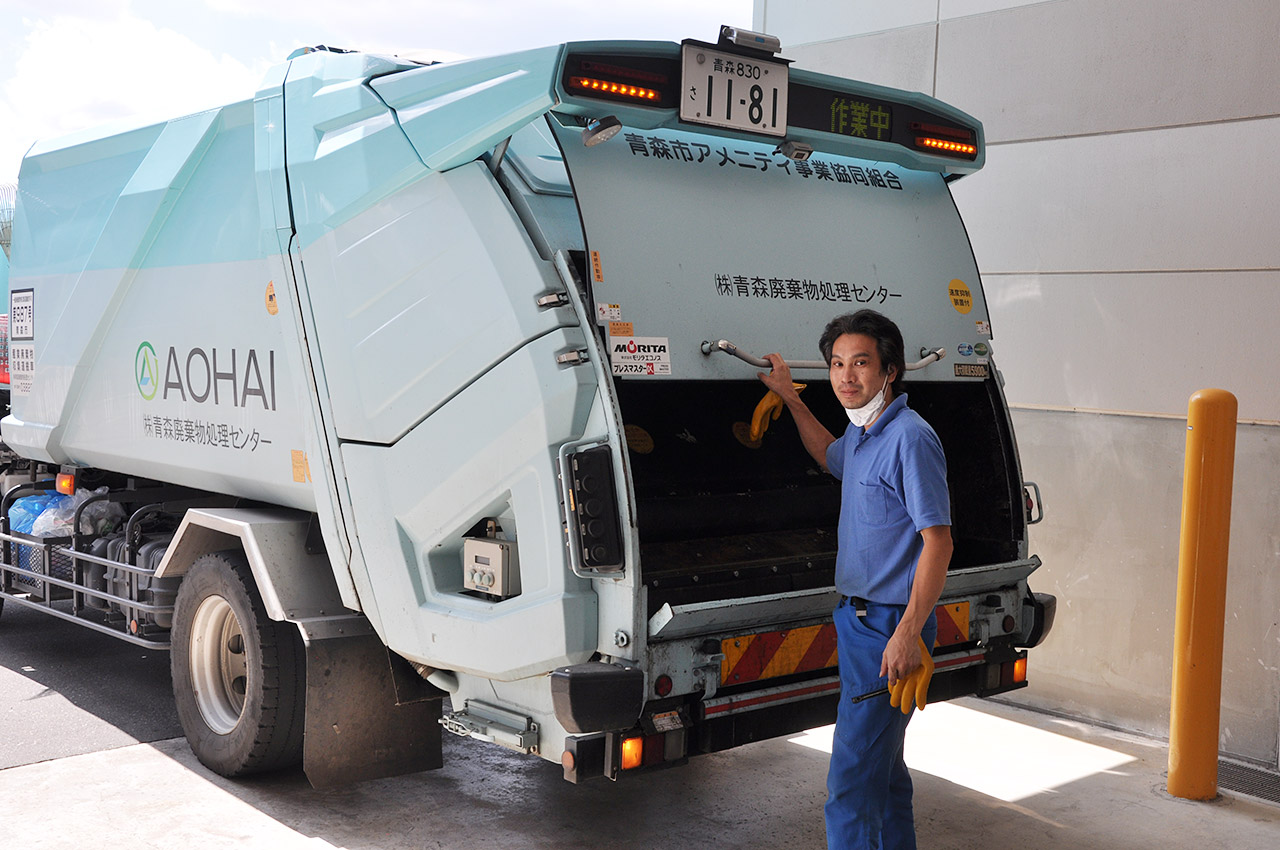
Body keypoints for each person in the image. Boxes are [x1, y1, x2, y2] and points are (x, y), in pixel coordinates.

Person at [758, 309, 952, 850]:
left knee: (849, 785)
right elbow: (830, 456)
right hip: (861, 621)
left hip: (887, 626)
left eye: (860, 363)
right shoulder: (863, 431)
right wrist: (791, 398)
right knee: (883, 775)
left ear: (890, 369)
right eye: (837, 364)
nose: (846, 376)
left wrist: (908, 632)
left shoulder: (910, 439)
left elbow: (939, 541)